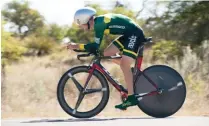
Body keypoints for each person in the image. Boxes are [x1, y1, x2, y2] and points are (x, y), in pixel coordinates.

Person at [67, 7, 146, 110]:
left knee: (124, 64)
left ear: (84, 20)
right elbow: (96, 48)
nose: (82, 28)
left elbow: (95, 46)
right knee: (106, 53)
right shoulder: (98, 23)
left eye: (81, 25)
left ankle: (131, 98)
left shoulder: (99, 24)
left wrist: (77, 46)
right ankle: (130, 72)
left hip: (135, 33)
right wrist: (82, 48)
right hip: (128, 34)